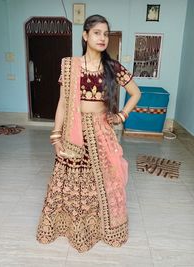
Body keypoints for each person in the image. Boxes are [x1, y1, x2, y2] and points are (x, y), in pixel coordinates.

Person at [36, 14, 141, 253]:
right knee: (70, 180)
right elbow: (63, 103)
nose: (102, 38)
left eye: (105, 33)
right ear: (85, 36)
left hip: (101, 130)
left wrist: (122, 115)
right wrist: (55, 136)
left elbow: (136, 93)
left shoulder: (112, 67)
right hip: (73, 130)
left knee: (104, 179)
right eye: (96, 32)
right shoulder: (70, 65)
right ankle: (70, 226)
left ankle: (101, 227)